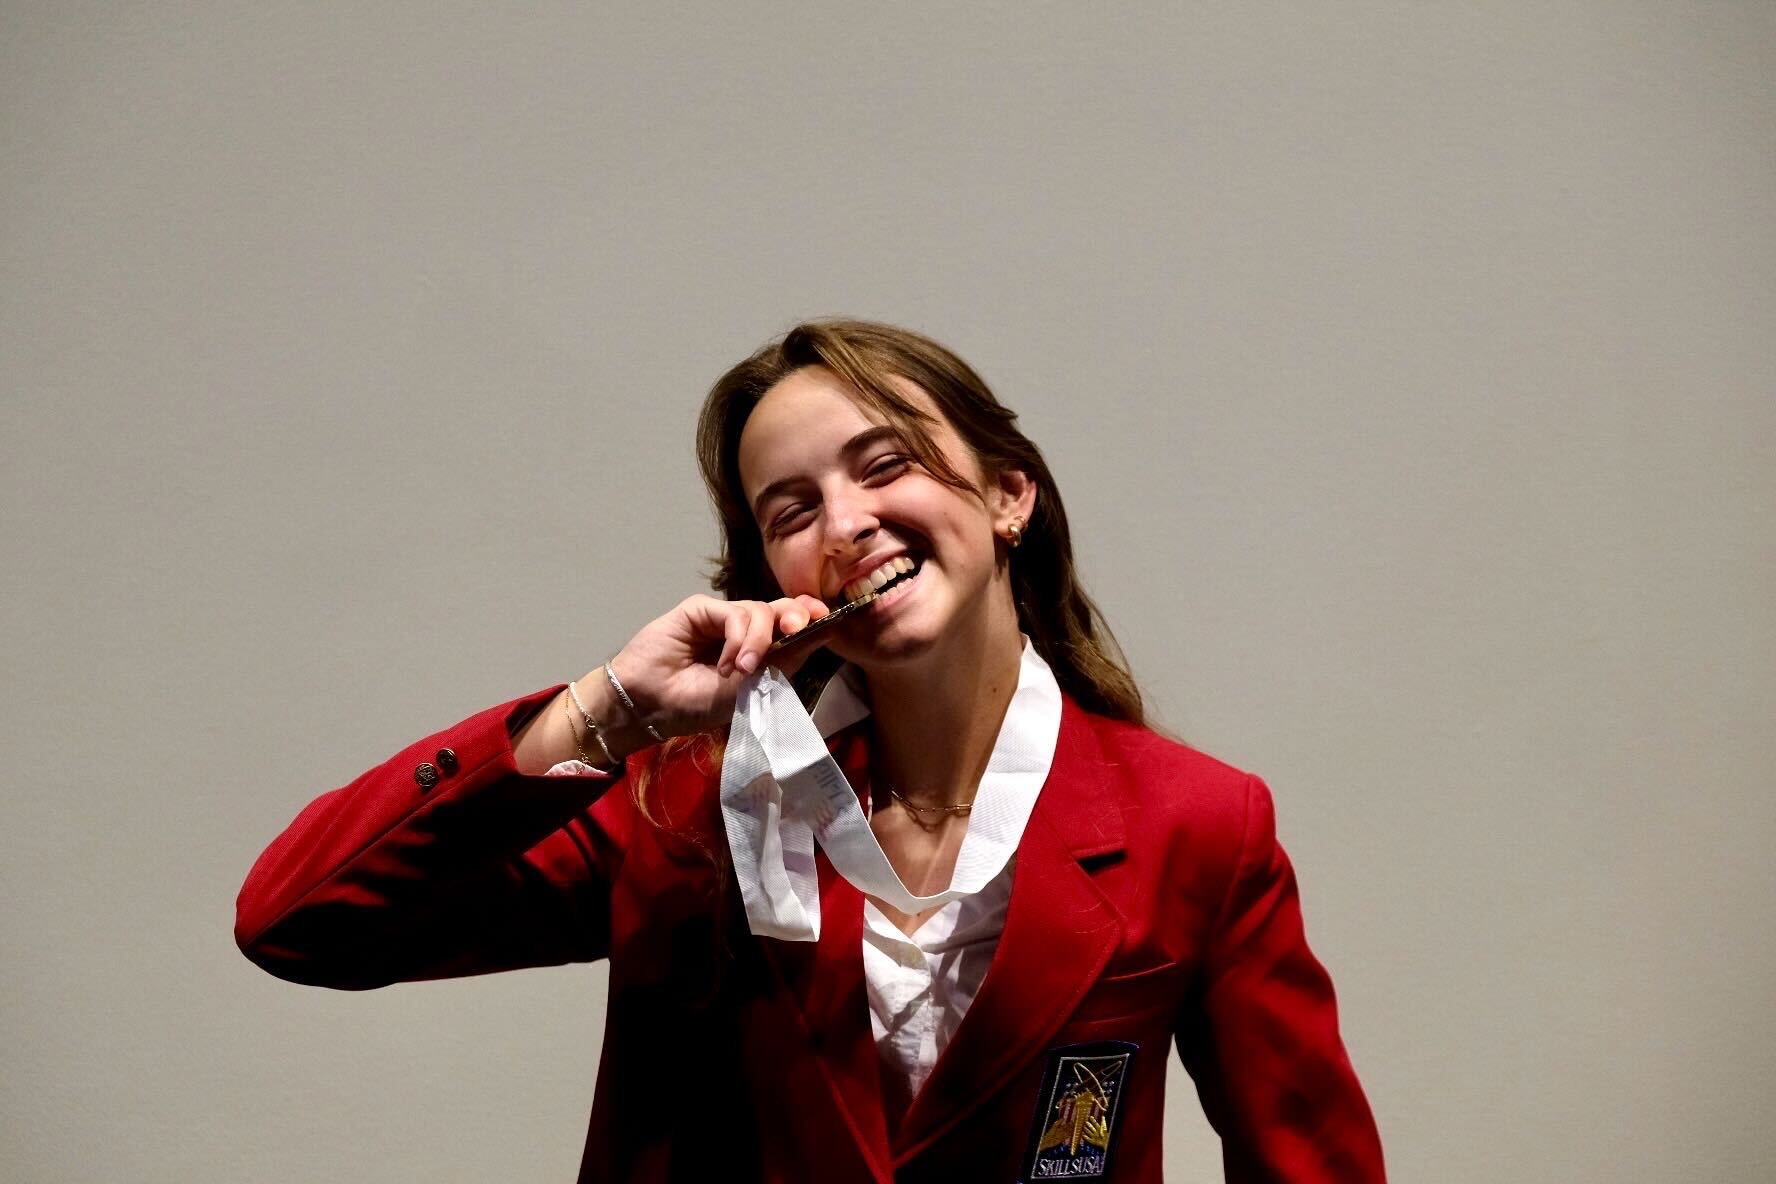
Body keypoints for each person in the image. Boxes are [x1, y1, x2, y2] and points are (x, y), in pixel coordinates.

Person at [235, 319, 1385, 1182]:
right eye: (791, 510)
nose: (845, 523)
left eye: (885, 465)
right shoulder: (685, 809)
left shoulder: (1199, 823)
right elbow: (299, 920)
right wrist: (604, 710)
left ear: (1008, 494)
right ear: (772, 579)